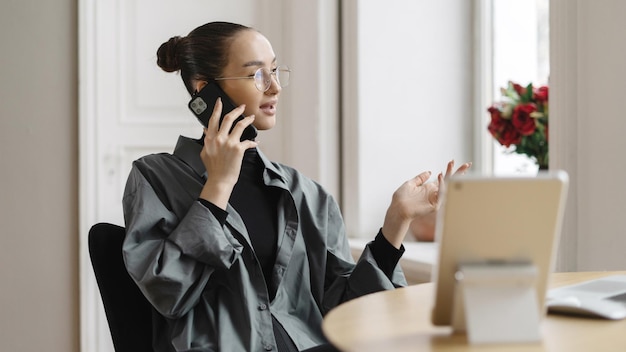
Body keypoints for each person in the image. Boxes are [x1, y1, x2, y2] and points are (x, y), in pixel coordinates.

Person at [122, 21, 470, 352]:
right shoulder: (154, 178)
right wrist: (218, 187)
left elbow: (349, 312)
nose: (274, 87)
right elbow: (168, 290)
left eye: (274, 71)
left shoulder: (307, 194)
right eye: (256, 74)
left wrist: (397, 220)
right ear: (205, 89)